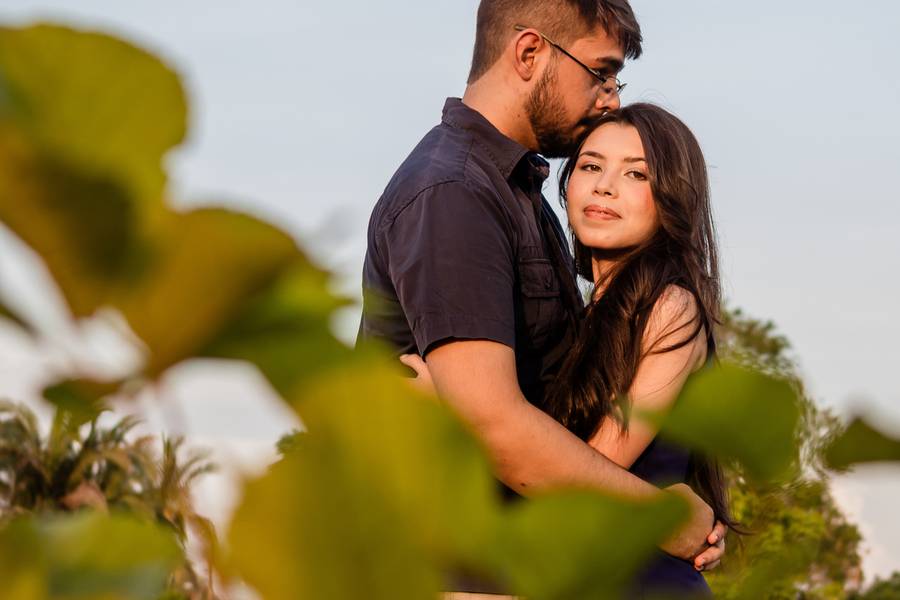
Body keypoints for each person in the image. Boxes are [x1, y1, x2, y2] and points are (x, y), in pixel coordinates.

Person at [357, 0, 725, 592]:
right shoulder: (456, 193)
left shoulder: (518, 194)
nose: (610, 97)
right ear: (530, 54)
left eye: (637, 174)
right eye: (600, 73)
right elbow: (495, 420)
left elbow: (558, 429)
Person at [406, 102, 736, 597]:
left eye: (636, 174)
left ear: (671, 198)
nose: (605, 185)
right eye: (590, 166)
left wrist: (457, 410)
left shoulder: (670, 306)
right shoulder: (587, 318)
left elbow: (588, 474)